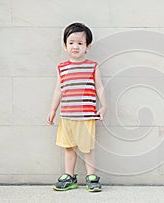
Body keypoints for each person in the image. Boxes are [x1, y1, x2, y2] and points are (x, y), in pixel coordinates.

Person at [47, 22, 106, 192]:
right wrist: (53, 109)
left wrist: (104, 106)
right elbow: (58, 90)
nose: (75, 46)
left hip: (86, 116)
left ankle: (91, 177)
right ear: (65, 46)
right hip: (67, 117)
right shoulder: (62, 68)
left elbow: (100, 87)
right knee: (69, 147)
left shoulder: (93, 66)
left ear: (87, 47)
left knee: (87, 149)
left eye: (80, 43)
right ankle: (69, 176)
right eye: (71, 42)